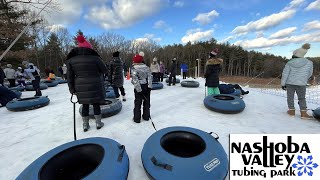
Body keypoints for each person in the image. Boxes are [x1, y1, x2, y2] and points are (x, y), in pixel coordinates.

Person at [66, 34, 107, 131]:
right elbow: (104, 70)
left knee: (85, 105)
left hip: (80, 86)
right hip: (95, 84)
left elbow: (69, 76)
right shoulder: (95, 58)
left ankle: (85, 124)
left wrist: (72, 89)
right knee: (96, 104)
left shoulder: (71, 60)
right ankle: (98, 123)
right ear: (89, 48)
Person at [281, 43, 314, 119]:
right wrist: (303, 79)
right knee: (302, 98)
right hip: (301, 83)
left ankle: (291, 111)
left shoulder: (289, 63)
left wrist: (283, 84)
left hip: (290, 83)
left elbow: (285, 74)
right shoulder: (309, 63)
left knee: (290, 97)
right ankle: (303, 113)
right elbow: (309, 73)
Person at [131, 52, 153, 123]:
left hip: (139, 87)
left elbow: (135, 80)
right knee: (146, 102)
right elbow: (150, 77)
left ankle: (137, 119)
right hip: (146, 86)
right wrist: (149, 87)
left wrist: (139, 90)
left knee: (138, 103)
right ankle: (146, 116)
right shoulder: (147, 67)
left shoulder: (134, 69)